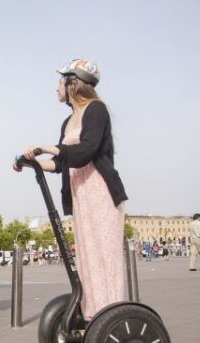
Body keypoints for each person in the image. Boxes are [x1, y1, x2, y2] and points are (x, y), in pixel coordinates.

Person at [13, 58, 126, 322]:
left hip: (100, 193)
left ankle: (112, 320)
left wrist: (48, 147)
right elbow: (63, 161)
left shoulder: (97, 110)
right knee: (86, 261)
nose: (56, 87)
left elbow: (85, 151)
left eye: (60, 80)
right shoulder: (68, 121)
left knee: (104, 259)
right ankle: (92, 318)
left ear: (73, 82)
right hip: (80, 197)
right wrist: (32, 163)